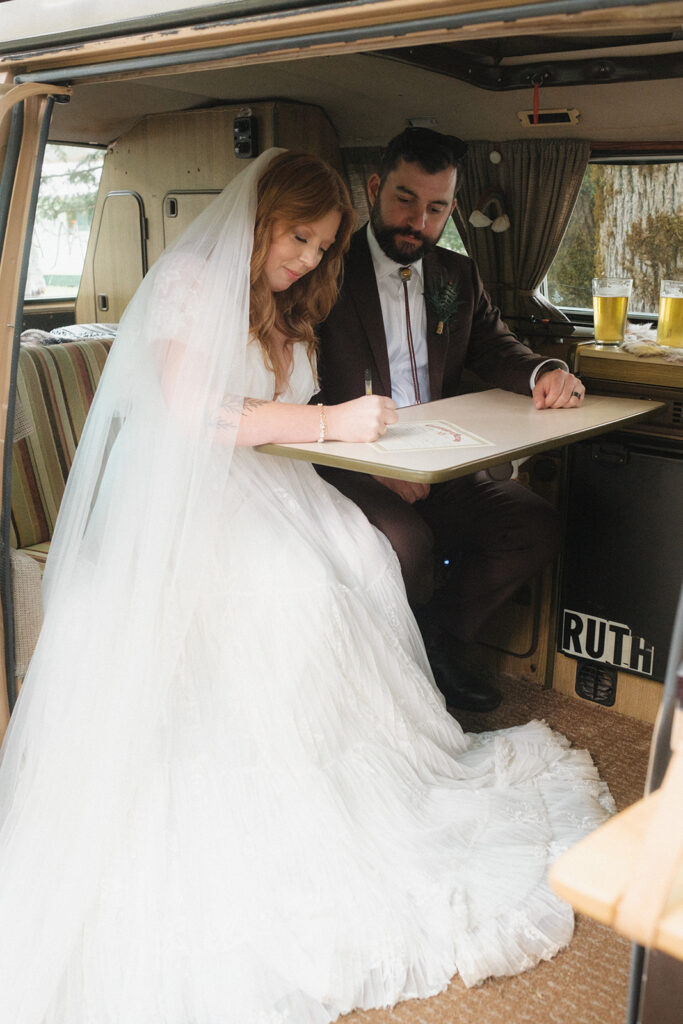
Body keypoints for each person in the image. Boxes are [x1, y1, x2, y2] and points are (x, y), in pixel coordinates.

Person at [0, 149, 611, 1024]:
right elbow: (198, 415)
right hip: (191, 491)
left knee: (360, 561)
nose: (308, 261)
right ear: (259, 222)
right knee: (296, 585)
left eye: (323, 249)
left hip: (273, 479)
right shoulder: (185, 284)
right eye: (298, 240)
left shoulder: (291, 300)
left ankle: (385, 742)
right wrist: (331, 421)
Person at [316, 127, 585, 712]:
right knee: (408, 545)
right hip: (349, 464)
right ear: (373, 188)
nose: (418, 220)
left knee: (535, 527)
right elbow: (300, 391)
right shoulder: (325, 272)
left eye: (436, 208)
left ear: (452, 210)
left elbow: (494, 346)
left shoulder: (456, 276)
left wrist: (543, 372)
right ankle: (396, 681)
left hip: (441, 462)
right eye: (405, 199)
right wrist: (375, 466)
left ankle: (437, 642)